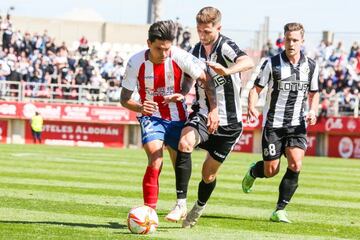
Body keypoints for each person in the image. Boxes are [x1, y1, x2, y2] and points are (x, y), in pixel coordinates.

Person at [165, 6, 254, 227]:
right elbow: (189, 77)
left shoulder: (225, 46)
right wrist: (183, 92)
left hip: (229, 124)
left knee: (208, 175)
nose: (203, 36)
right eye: (200, 31)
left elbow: (248, 62)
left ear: (218, 28)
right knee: (184, 142)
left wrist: (228, 70)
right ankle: (180, 204)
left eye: (207, 31)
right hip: (203, 113)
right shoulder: (195, 50)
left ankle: (200, 205)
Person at [120, 20, 218, 210]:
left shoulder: (180, 56)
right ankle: (149, 210)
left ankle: (181, 205)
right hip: (151, 117)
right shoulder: (135, 62)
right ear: (148, 44)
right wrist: (140, 108)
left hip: (178, 117)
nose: (164, 54)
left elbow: (206, 79)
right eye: (159, 49)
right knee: (155, 158)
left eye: (167, 49)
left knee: (178, 166)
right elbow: (124, 99)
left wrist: (211, 108)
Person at [242, 22, 319, 223]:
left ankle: (279, 209)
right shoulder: (272, 63)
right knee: (271, 171)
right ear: (283, 40)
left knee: (295, 163)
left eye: (295, 40)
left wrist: (313, 110)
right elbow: (256, 89)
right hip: (274, 124)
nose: (291, 43)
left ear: (302, 41)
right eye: (288, 39)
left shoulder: (311, 66)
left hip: (297, 125)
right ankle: (253, 171)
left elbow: (314, 93)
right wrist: (251, 106)